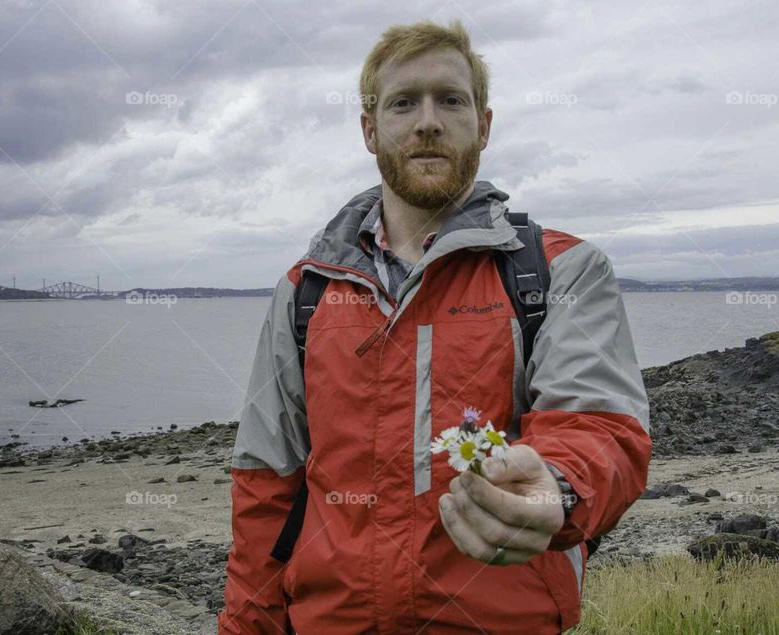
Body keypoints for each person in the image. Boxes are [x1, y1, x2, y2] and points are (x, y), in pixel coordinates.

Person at [218, 19, 651, 634]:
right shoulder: (305, 291)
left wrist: (556, 485)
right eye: (403, 103)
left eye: (451, 100)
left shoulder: (560, 270)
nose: (428, 122)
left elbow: (600, 427)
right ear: (370, 130)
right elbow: (265, 486)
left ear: (484, 125)